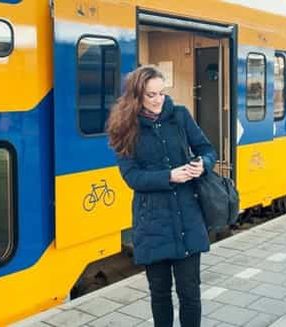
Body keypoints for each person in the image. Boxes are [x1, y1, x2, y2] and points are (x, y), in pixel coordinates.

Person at [107, 66, 217, 327]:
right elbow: (131, 176)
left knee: (190, 293)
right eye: (151, 95)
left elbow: (207, 149)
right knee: (160, 295)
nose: (158, 100)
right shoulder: (125, 127)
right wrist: (169, 176)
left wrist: (203, 164)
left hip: (187, 218)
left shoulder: (180, 116)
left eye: (161, 93)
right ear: (136, 97)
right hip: (152, 222)